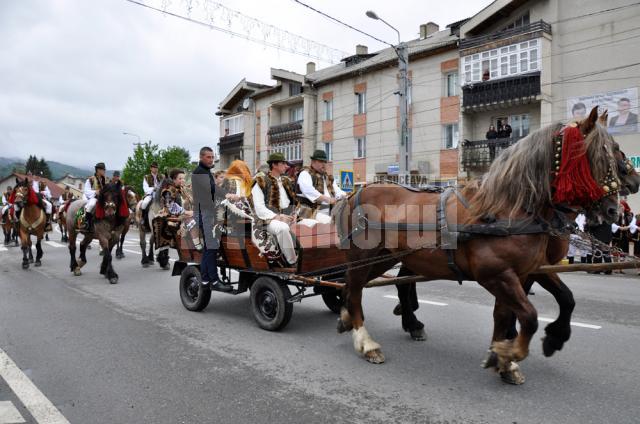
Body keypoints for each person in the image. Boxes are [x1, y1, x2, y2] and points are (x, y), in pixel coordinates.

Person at [192, 146, 231, 291]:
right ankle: (213, 281)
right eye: (208, 157)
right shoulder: (199, 172)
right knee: (211, 247)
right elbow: (212, 188)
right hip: (204, 213)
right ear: (201, 157)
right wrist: (227, 195)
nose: (211, 160)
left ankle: (205, 279)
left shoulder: (206, 171)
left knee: (210, 248)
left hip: (206, 212)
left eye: (212, 157)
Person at [251, 152, 299, 265]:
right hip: (266, 219)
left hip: (287, 217)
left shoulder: (286, 181)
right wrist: (277, 217)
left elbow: (295, 202)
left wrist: (295, 213)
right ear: (274, 165)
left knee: (311, 224)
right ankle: (292, 261)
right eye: (283, 163)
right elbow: (259, 207)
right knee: (282, 228)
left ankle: (310, 257)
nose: (286, 166)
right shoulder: (261, 181)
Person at [295, 149, 346, 224]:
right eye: (321, 161)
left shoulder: (328, 177)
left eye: (325, 162)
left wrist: (347, 195)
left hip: (328, 211)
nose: (324, 164)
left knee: (344, 222)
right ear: (313, 162)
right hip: (307, 211)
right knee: (330, 222)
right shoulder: (305, 173)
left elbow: (337, 191)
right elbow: (309, 191)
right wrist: (327, 199)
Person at [83, 162, 109, 230]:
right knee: (91, 204)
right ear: (98, 170)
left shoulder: (106, 180)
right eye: (103, 169)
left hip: (104, 199)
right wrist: (95, 192)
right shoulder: (90, 179)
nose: (104, 171)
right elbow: (86, 191)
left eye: (104, 169)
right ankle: (87, 222)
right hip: (94, 198)